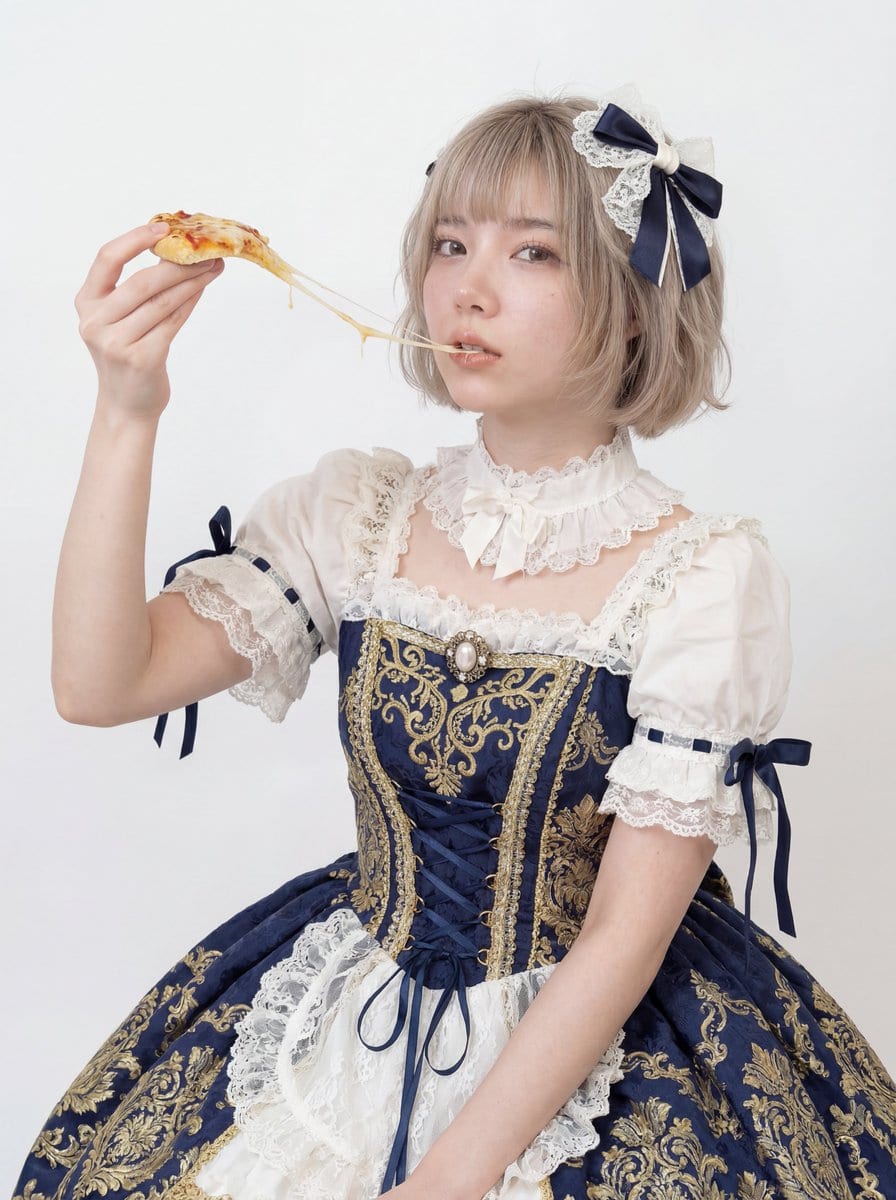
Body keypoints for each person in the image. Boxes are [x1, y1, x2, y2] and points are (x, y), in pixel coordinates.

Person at [15, 85, 895, 1200]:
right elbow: (99, 684)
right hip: (346, 1011)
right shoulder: (358, 513)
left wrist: (446, 1180)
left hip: (603, 1044)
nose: (468, 288)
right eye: (449, 243)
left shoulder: (704, 577)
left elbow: (622, 938)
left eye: (534, 252)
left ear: (634, 304)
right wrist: (126, 408)